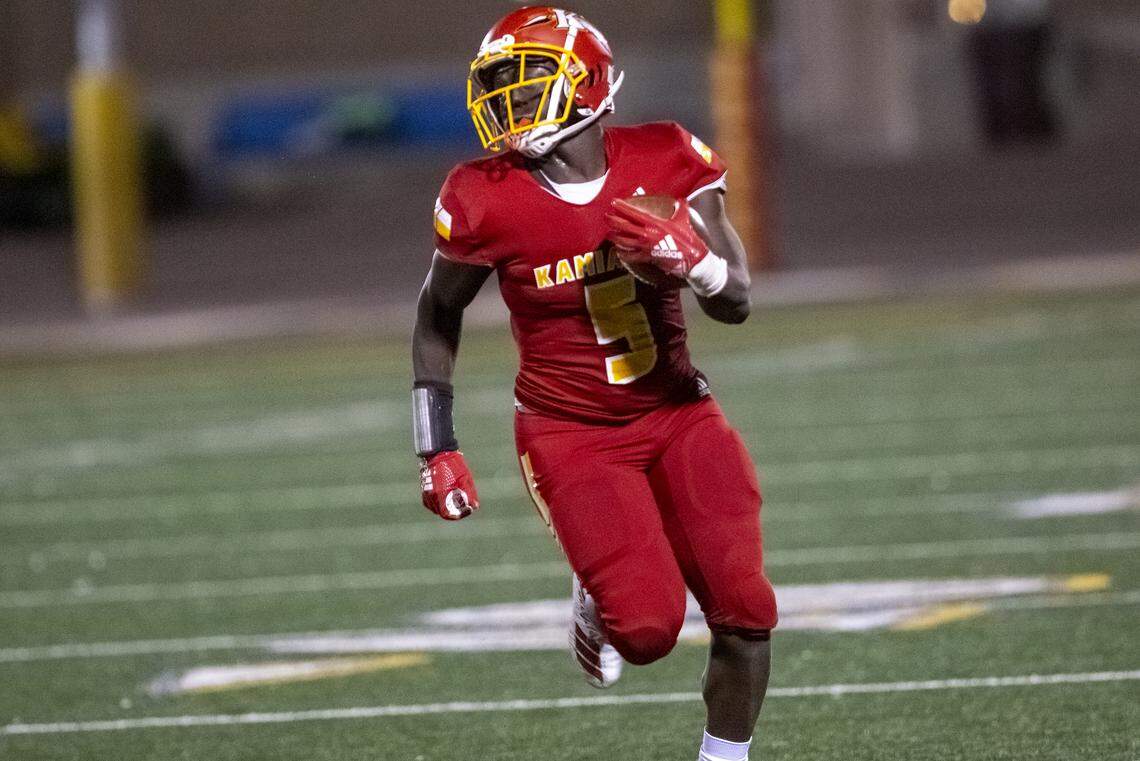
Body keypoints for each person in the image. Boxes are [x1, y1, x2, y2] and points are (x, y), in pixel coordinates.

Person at [411, 7, 777, 760]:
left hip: (678, 412)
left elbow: (736, 299)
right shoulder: (485, 195)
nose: (506, 109)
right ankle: (596, 592)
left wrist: (696, 261)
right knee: (646, 631)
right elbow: (436, 312)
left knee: (745, 608)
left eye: (525, 87)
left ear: (587, 86)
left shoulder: (668, 157)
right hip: (569, 431)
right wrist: (435, 444)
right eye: (499, 90)